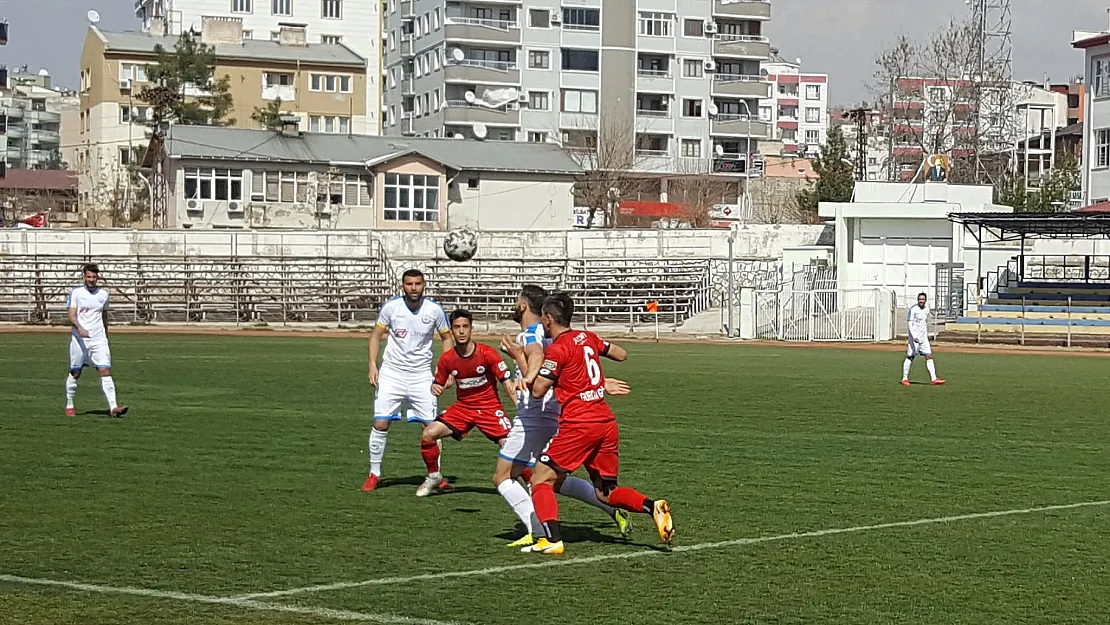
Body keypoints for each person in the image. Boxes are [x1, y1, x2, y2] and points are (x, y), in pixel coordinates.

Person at [524, 292, 673, 555]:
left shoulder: (557, 349)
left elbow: (537, 391)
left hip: (580, 424)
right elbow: (621, 354)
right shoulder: (588, 338)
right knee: (606, 492)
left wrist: (528, 370)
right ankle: (653, 506)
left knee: (541, 479)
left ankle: (552, 539)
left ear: (548, 319)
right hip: (605, 422)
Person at [496, 285, 632, 548]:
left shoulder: (531, 333)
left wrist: (522, 367)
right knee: (550, 479)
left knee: (503, 476)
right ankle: (610, 507)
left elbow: (537, 364)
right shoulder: (557, 335)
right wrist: (600, 384)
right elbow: (570, 371)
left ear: (523, 305)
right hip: (555, 412)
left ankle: (538, 530)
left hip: (536, 416)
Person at [364, 269, 454, 494]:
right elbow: (375, 335)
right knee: (381, 423)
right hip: (392, 374)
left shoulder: (433, 310)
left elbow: (446, 338)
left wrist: (447, 370)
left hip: (422, 376)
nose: (413, 288)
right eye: (409, 284)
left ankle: (435, 476)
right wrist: (372, 364)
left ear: (424, 285)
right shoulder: (391, 308)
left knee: (431, 428)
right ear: (402, 286)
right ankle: (374, 474)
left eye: (417, 283)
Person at [421, 309, 516, 497]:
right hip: (463, 408)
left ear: (472, 329)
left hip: (490, 408)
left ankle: (532, 485)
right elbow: (437, 384)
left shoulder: (487, 353)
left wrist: (520, 409)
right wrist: (436, 389)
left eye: (465, 327)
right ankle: (434, 476)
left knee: (512, 447)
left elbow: (507, 382)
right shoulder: (447, 359)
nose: (461, 331)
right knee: (428, 434)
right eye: (457, 327)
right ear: (452, 330)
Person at [65, 264, 128, 418]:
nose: (91, 280)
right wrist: (79, 327)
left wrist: (105, 334)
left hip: (99, 339)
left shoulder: (104, 294)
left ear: (97, 278)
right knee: (76, 372)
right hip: (80, 339)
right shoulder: (76, 293)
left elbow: (104, 314)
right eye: (88, 277)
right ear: (84, 277)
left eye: (94, 277)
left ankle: (113, 407)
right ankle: (70, 403)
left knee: (105, 370)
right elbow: (71, 314)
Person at [903, 292, 945, 386]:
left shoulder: (926, 309)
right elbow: (910, 323)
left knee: (929, 356)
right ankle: (904, 378)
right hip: (914, 338)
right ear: (917, 300)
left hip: (923, 337)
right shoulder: (913, 309)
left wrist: (925, 335)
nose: (921, 301)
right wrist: (914, 336)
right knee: (910, 356)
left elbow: (925, 322)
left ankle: (934, 379)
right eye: (920, 299)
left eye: (923, 299)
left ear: (925, 300)